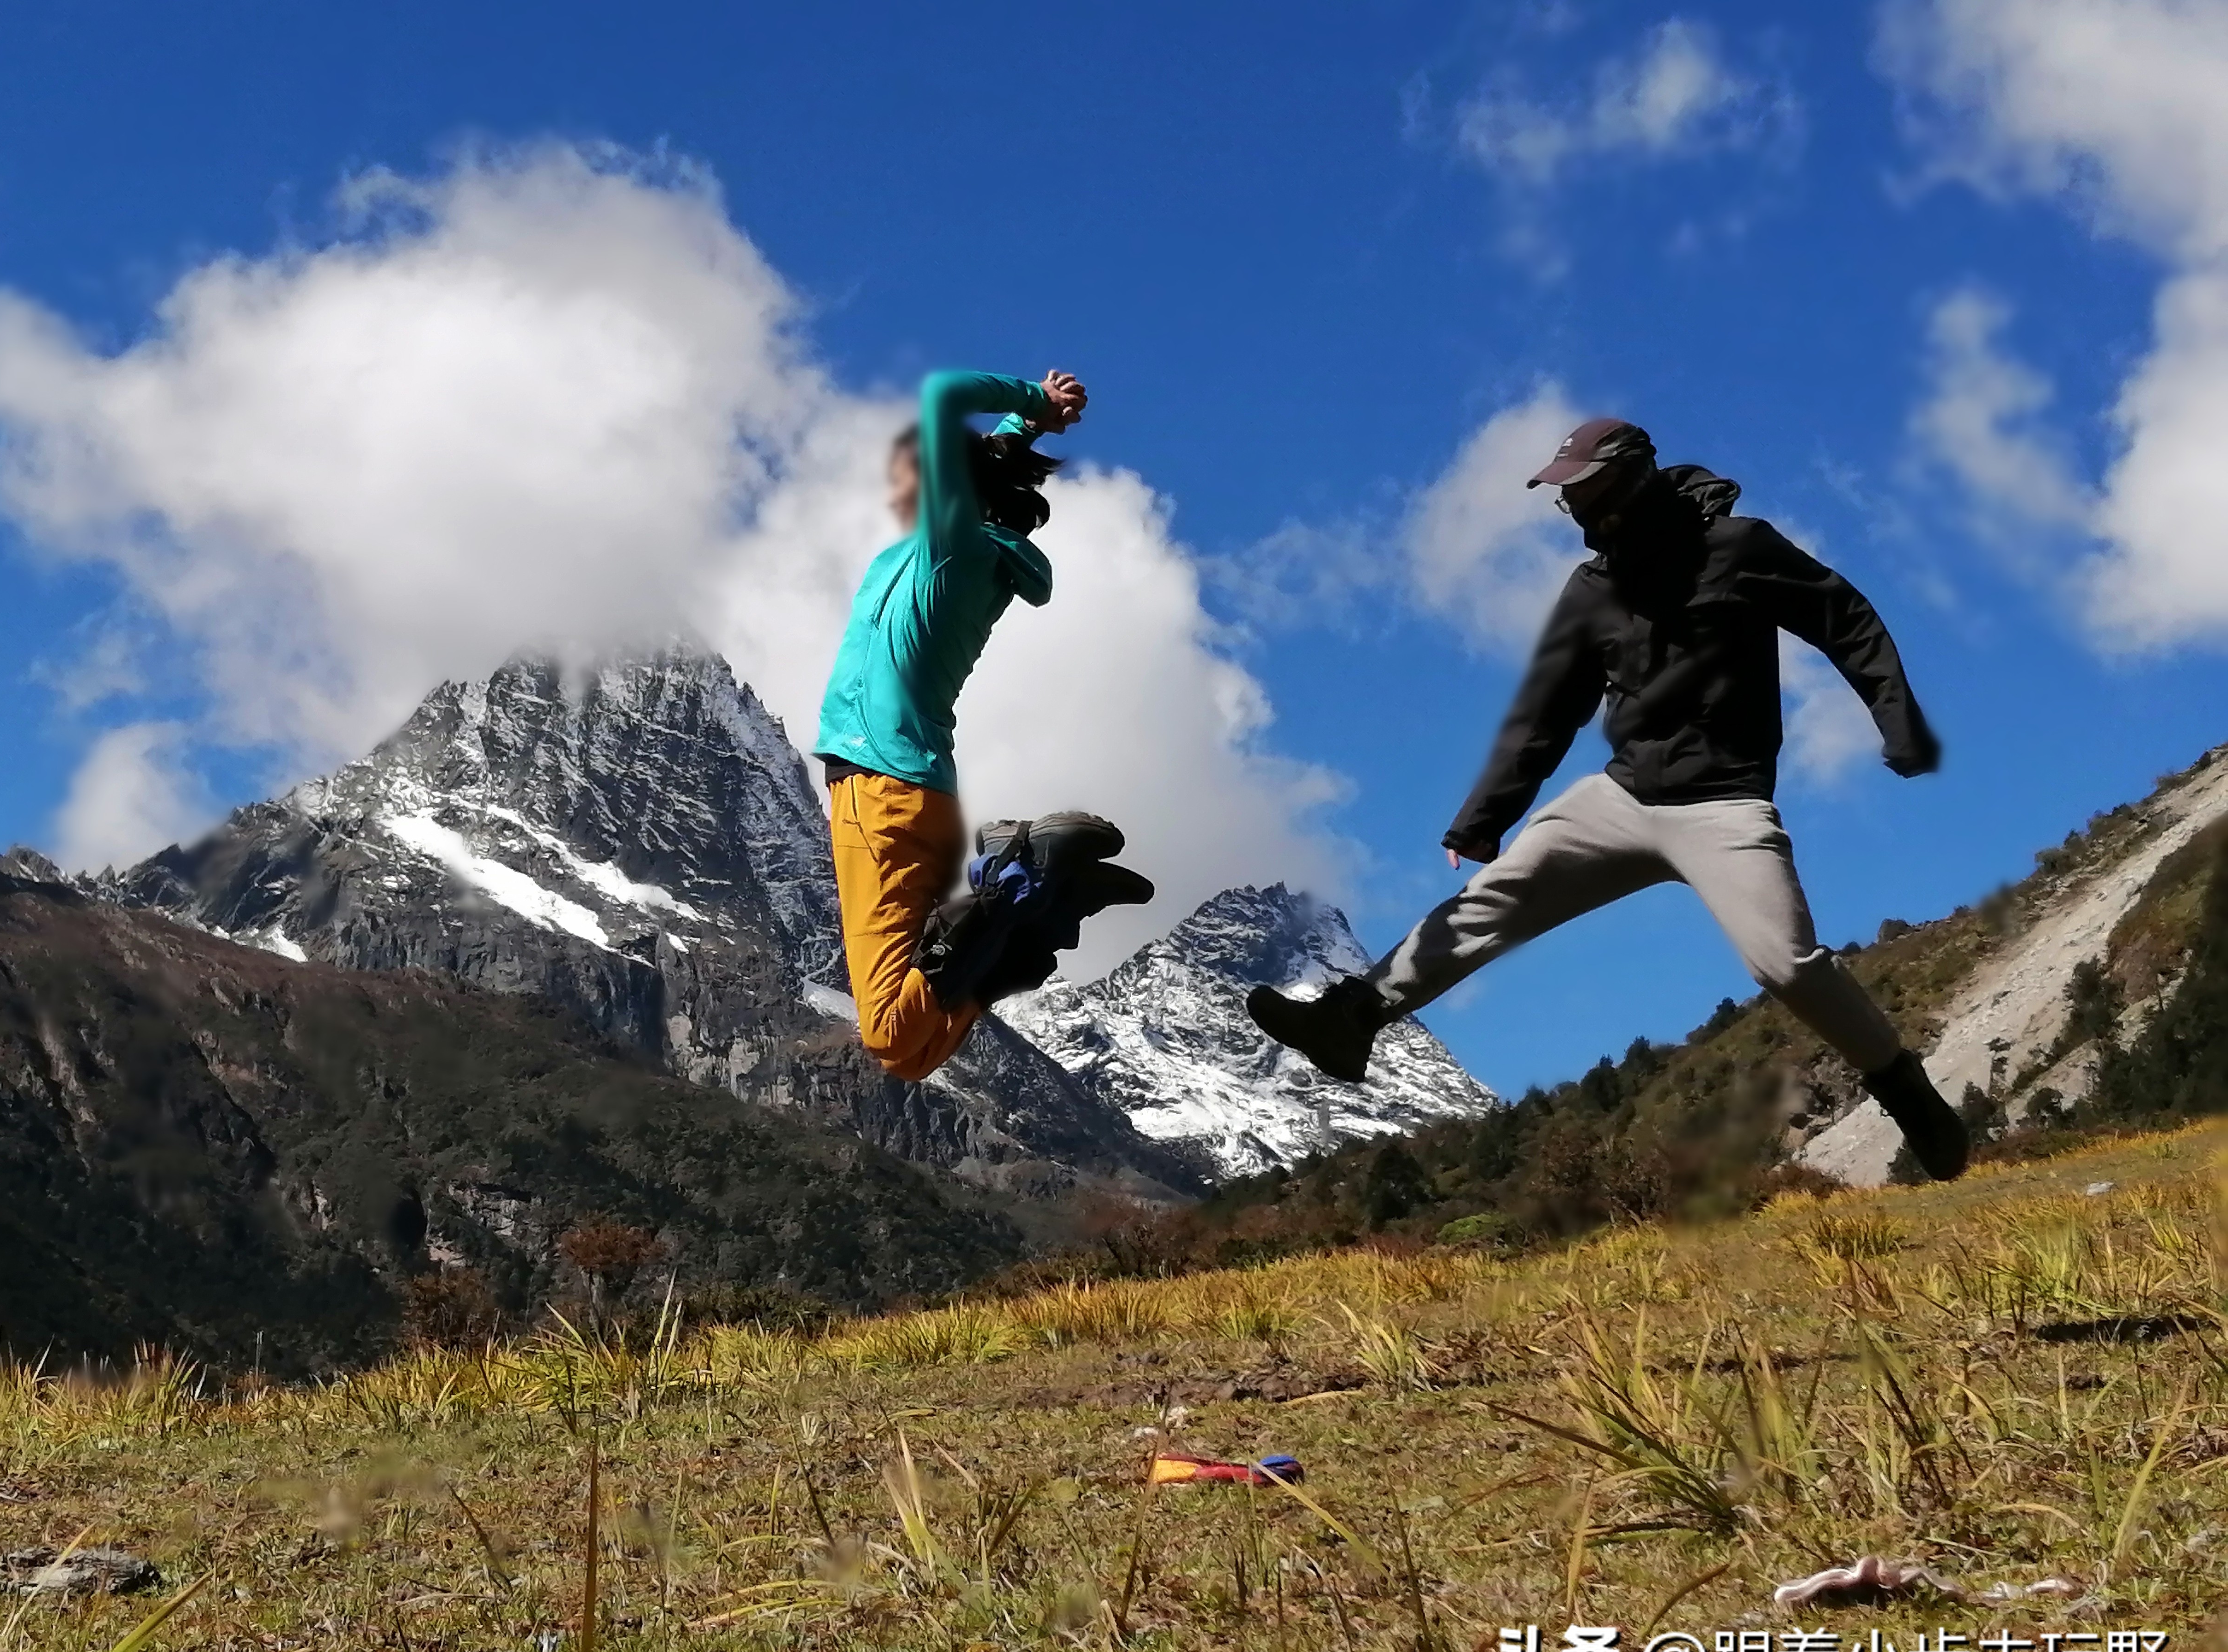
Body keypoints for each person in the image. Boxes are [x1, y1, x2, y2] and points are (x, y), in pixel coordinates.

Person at [1248, 416, 1970, 1181]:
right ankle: (1349, 1021)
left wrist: (1899, 723)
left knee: (1788, 967)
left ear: (1631, 483)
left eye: (1585, 494)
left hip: (1725, 807)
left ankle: (1903, 1087)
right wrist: (1484, 820)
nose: (1577, 512)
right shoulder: (1591, 590)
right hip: (1623, 798)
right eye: (1568, 499)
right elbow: (1546, 711)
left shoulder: (1740, 550)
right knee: (1496, 897)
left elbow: (1847, 621)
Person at [815, 369, 1150, 1083]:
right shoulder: (964, 555)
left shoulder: (948, 547)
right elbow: (982, 462)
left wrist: (1034, 401)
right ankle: (1041, 912)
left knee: (890, 1034)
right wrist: (1023, 428)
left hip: (879, 793)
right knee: (912, 1057)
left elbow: (942, 395)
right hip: (907, 792)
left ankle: (1015, 884)